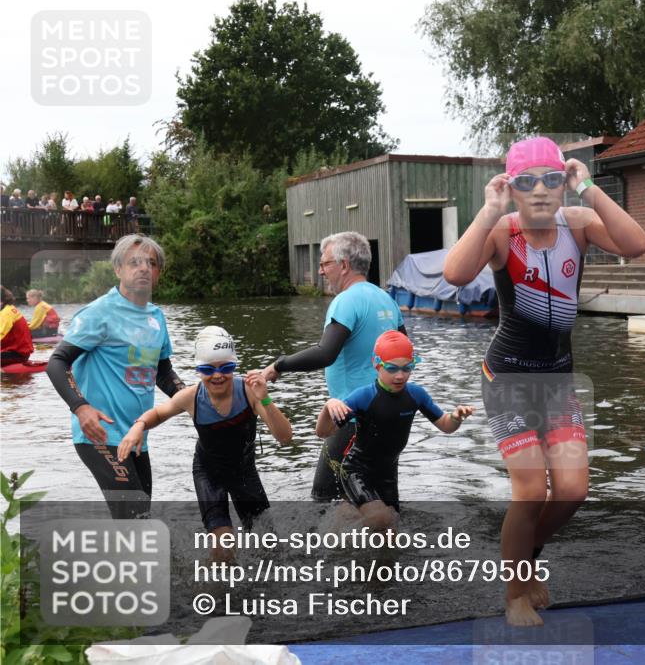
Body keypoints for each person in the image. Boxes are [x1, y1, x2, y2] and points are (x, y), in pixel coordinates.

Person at [443, 136, 645, 626]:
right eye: (527, 182)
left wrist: (590, 189)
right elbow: (454, 273)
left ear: (563, 184)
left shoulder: (577, 225)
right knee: (531, 490)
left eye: (551, 180)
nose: (540, 191)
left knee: (574, 490)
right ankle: (515, 595)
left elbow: (637, 245)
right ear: (511, 188)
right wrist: (488, 211)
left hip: (557, 380)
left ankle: (526, 552)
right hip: (508, 377)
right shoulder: (502, 232)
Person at [118, 326, 292, 562]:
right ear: (198, 371)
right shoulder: (191, 397)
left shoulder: (249, 392)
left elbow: (284, 437)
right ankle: (220, 595)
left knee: (270, 549)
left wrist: (265, 398)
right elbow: (158, 413)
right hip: (209, 474)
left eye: (226, 368)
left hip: (244, 472)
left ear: (234, 367)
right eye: (208, 369)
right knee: (223, 550)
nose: (217, 375)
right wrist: (137, 426)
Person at [254, 231, 406, 502]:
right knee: (382, 498)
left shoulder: (346, 300)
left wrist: (279, 365)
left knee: (323, 498)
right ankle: (390, 543)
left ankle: (338, 545)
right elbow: (405, 353)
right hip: (389, 418)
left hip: (353, 418)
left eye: (325, 264)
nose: (321, 271)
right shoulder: (387, 300)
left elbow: (326, 353)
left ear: (344, 265)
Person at [46, 235, 184, 519]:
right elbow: (57, 362)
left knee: (140, 520)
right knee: (134, 519)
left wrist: (196, 396)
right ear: (118, 269)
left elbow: (162, 372)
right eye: (134, 262)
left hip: (136, 437)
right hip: (99, 434)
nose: (143, 268)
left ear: (159, 273)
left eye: (151, 263)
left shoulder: (156, 317)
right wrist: (80, 407)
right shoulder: (99, 313)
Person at [316, 331, 473, 533]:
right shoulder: (363, 397)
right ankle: (341, 529)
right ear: (377, 365)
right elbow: (323, 432)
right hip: (356, 471)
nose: (400, 375)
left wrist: (456, 417)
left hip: (388, 473)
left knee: (390, 536)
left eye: (407, 368)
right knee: (382, 519)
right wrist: (328, 406)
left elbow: (445, 425)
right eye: (392, 369)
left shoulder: (416, 395)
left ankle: (350, 516)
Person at [1, 286, 34, 366]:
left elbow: (1, 334)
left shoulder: (6, 313)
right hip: (14, 351)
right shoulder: (7, 309)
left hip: (18, 354)